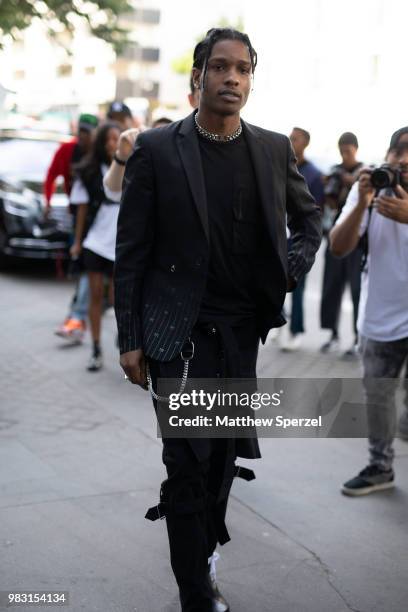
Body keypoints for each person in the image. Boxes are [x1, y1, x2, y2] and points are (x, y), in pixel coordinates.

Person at [114, 27, 321, 612]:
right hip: (174, 335)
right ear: (198, 77)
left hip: (238, 336)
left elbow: (310, 223)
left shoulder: (273, 148)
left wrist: (288, 271)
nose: (233, 78)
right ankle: (195, 595)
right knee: (186, 462)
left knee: (221, 463)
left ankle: (202, 561)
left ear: (250, 80)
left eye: (243, 69)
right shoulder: (157, 149)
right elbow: (131, 251)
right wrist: (129, 339)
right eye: (221, 67)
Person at [330, 134, 408, 496]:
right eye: (399, 151)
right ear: (388, 155)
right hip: (379, 316)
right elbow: (339, 246)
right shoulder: (371, 188)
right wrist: (362, 204)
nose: (404, 160)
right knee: (378, 396)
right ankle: (380, 467)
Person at [70, 121, 121, 371]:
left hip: (122, 243)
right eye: (108, 139)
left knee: (118, 296)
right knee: (95, 295)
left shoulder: (133, 167)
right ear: (101, 143)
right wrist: (77, 242)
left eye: (117, 139)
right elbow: (81, 209)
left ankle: (124, 336)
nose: (113, 144)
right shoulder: (90, 170)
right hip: (96, 241)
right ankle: (96, 348)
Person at [46, 114, 99, 343]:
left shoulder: (104, 155)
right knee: (82, 269)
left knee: (92, 274)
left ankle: (79, 317)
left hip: (103, 225)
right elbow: (51, 175)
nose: (83, 137)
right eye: (81, 132)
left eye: (88, 132)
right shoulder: (69, 151)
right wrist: (48, 201)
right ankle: (78, 317)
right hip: (79, 219)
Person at [280, 127, 325, 351]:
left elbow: (314, 214)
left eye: (295, 138)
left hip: (298, 240)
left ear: (305, 143)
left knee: (297, 287)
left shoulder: (314, 174)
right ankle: (278, 323)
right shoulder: (278, 166)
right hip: (278, 237)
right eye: (289, 137)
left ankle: (296, 330)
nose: (290, 141)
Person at [320, 132, 363, 356]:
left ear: (355, 149)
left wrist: (354, 183)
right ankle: (332, 334)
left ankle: (358, 337)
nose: (344, 155)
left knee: (357, 289)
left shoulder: (365, 173)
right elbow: (330, 203)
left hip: (358, 239)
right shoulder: (335, 172)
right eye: (341, 151)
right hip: (336, 234)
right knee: (331, 286)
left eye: (348, 150)